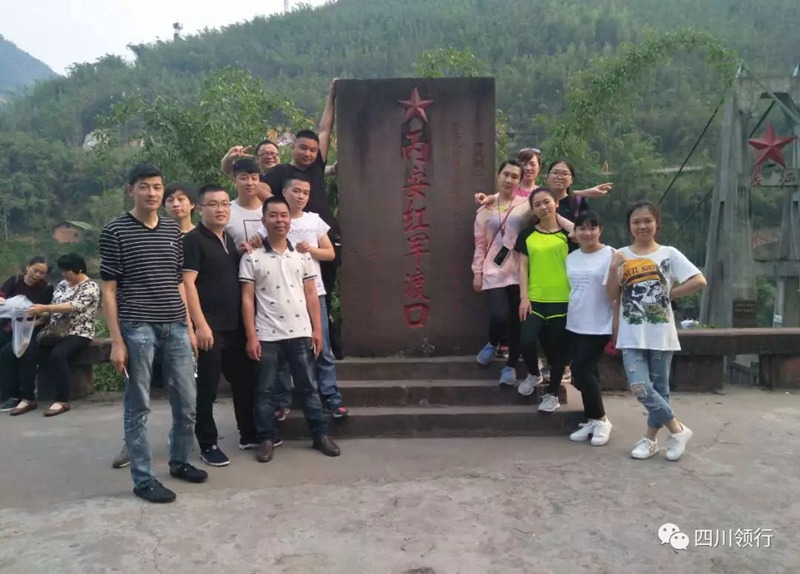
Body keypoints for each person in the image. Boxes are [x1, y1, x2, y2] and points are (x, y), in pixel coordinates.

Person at [100, 163, 206, 504]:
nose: (152, 193)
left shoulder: (172, 230)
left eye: (157, 187)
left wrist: (189, 327)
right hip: (137, 326)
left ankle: (180, 461)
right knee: (139, 405)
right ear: (130, 190)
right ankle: (143, 479)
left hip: (175, 325)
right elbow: (109, 290)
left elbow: (178, 282)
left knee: (187, 402)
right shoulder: (115, 230)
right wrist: (117, 341)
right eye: (144, 186)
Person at [240, 197, 340, 463]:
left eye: (284, 215)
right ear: (264, 220)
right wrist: (251, 336)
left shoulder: (302, 255)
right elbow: (247, 300)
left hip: (300, 332)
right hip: (267, 334)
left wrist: (317, 330)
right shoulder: (252, 257)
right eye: (273, 215)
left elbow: (311, 294)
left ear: (290, 220)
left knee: (309, 387)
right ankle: (266, 438)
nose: (280, 220)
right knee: (265, 391)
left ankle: (320, 435)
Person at [607, 201, 706, 461]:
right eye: (636, 222)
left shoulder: (669, 254)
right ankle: (678, 429)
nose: (642, 226)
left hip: (661, 333)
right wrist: (613, 267)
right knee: (640, 386)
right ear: (629, 226)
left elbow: (699, 280)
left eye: (647, 221)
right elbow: (612, 295)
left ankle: (650, 440)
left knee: (660, 389)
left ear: (657, 223)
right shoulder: (621, 255)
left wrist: (669, 293)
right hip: (631, 333)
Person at [182, 184, 260, 466]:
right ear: (200, 208)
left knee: (244, 382)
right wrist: (200, 325)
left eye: (225, 204)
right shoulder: (193, 240)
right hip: (210, 327)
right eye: (213, 204)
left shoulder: (228, 239)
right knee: (208, 388)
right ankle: (208, 443)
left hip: (235, 326)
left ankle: (248, 433)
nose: (221, 209)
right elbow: (187, 284)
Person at [274, 175, 348, 417]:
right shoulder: (276, 219)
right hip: (283, 295)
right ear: (284, 192)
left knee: (322, 347)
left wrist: (311, 249)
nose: (301, 196)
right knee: (283, 350)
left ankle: (331, 397)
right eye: (296, 191)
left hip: (315, 292)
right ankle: (282, 401)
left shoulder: (313, 220)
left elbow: (330, 254)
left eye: (305, 192)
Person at [514, 187, 575, 412]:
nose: (543, 207)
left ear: (556, 203)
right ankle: (534, 373)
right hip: (535, 299)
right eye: (537, 204)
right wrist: (524, 297)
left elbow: (582, 236)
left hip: (563, 299)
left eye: (547, 202)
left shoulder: (569, 236)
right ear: (533, 209)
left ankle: (552, 394)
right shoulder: (527, 235)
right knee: (527, 341)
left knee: (558, 352)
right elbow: (523, 268)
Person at [472, 161, 530, 386]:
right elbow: (479, 243)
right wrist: (477, 272)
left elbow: (550, 203)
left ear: (520, 181)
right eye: (506, 174)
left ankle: (510, 366)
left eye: (514, 176)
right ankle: (493, 341)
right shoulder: (485, 209)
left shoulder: (526, 205)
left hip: (519, 270)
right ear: (498, 175)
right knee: (500, 315)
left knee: (517, 321)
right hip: (493, 269)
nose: (509, 180)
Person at [22, 254, 100, 417]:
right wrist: (37, 316)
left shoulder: (90, 286)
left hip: (79, 331)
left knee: (58, 355)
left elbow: (73, 306)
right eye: (63, 271)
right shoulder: (63, 284)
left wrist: (45, 308)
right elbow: (54, 305)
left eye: (67, 271)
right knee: (30, 352)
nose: (64, 275)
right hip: (56, 330)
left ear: (79, 270)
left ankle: (62, 400)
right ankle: (28, 398)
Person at [565, 212, 615, 445]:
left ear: (600, 230)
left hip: (600, 323)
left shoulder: (612, 255)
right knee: (590, 373)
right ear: (575, 232)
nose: (587, 233)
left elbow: (617, 293)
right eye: (582, 228)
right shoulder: (571, 258)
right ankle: (592, 419)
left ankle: (602, 420)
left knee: (580, 371)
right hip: (575, 322)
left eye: (592, 228)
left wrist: (617, 324)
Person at [0, 256, 54, 414]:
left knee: (9, 353)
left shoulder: (46, 288)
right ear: (27, 267)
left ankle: (14, 395)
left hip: (28, 331)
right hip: (7, 327)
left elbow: (47, 314)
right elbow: (2, 297)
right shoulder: (14, 281)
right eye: (35, 270)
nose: (37, 275)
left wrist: (31, 323)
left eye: (42, 273)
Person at [226, 157, 265, 251]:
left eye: (254, 178)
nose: (250, 183)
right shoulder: (226, 212)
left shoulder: (270, 210)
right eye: (244, 178)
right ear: (234, 181)